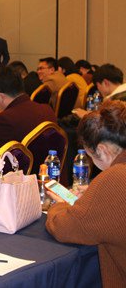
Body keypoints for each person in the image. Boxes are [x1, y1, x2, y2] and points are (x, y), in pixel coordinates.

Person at [46, 100, 126, 287]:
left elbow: (65, 227)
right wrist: (95, 194)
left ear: (102, 150)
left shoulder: (115, 178)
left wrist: (60, 205)